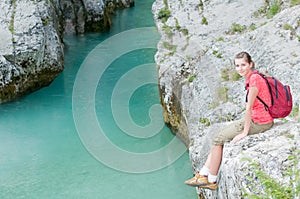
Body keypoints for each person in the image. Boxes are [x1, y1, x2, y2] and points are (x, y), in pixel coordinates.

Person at [184, 52, 274, 190]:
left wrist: (244, 132)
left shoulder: (254, 80)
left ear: (251, 64)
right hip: (259, 118)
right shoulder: (253, 76)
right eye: (237, 66)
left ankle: (211, 180)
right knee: (220, 134)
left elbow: (249, 108)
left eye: (243, 65)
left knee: (218, 139)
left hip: (260, 122)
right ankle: (202, 174)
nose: (240, 69)